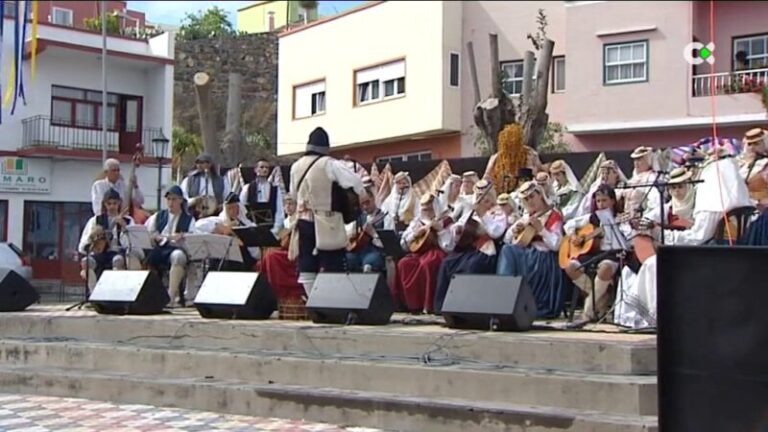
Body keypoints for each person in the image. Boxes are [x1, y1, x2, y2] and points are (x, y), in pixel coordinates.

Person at [614, 148, 753, 328]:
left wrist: (657, 233)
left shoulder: (713, 208)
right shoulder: (738, 205)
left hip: (707, 256)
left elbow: (695, 239)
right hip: (731, 255)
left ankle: (652, 317)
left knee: (652, 265)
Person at [289, 127, 367, 296]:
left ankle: (313, 300)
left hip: (303, 221)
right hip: (328, 221)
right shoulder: (330, 164)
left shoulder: (295, 167)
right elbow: (355, 183)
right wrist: (360, 198)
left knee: (307, 263)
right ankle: (332, 302)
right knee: (333, 261)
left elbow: (293, 194)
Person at [496, 181, 568, 319]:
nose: (530, 201)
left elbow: (557, 245)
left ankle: (505, 299)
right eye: (526, 199)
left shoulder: (554, 215)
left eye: (532, 196)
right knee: (507, 250)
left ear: (540, 195)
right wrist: (514, 231)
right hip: (528, 256)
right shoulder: (527, 217)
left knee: (508, 252)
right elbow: (507, 238)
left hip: (545, 260)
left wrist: (541, 230)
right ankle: (506, 299)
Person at [434, 180, 506, 313]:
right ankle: (443, 306)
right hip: (468, 249)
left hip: (485, 251)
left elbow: (496, 232)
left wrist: (483, 215)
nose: (483, 200)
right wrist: (458, 229)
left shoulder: (498, 213)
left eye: (486, 197)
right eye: (479, 197)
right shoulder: (470, 212)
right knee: (446, 264)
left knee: (472, 267)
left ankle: (467, 307)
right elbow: (459, 225)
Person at [563, 185, 629, 321]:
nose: (601, 204)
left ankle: (588, 310)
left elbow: (627, 242)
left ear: (612, 201)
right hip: (594, 254)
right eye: (598, 201)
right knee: (570, 267)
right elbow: (568, 225)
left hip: (613, 254)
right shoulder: (593, 217)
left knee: (604, 268)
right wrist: (574, 236)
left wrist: (615, 230)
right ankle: (602, 296)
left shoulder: (620, 217)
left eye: (604, 200)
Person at [395, 193, 454, 313]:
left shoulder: (446, 221)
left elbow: (449, 246)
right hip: (419, 253)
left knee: (428, 264)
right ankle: (411, 304)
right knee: (404, 263)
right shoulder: (417, 222)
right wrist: (415, 234)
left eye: (430, 209)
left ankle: (429, 305)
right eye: (424, 209)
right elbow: (404, 244)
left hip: (437, 252)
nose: (426, 212)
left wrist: (440, 231)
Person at [145, 185, 196, 307]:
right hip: (160, 248)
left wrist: (183, 236)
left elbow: (193, 238)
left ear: (180, 201)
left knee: (178, 257)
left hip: (177, 248)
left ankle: (171, 297)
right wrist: (155, 236)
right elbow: (149, 232)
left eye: (174, 199)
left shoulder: (189, 219)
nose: (170, 202)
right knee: (147, 258)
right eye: (168, 199)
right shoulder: (158, 216)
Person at [78, 189, 137, 291]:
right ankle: (94, 294)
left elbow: (133, 243)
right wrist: (94, 240)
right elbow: (83, 245)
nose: (112, 206)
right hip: (100, 254)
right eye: (109, 203)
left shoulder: (128, 220)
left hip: (118, 252)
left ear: (119, 203)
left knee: (117, 261)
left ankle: (113, 293)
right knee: (86, 262)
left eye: (115, 203)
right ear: (104, 204)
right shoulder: (95, 220)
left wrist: (124, 227)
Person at [194, 192, 259, 271]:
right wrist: (220, 227)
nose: (233, 211)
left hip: (242, 262)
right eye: (230, 208)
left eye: (235, 207)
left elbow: (256, 253)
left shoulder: (248, 224)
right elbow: (198, 225)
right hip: (221, 261)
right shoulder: (219, 221)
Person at [240, 158, 285, 231]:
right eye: (261, 167)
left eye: (267, 167)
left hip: (271, 228)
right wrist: (249, 225)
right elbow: (241, 208)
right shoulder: (247, 188)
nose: (264, 169)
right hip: (252, 228)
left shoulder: (275, 189)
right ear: (255, 169)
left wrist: (275, 229)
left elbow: (280, 211)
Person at [181, 153, 231, 217]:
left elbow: (228, 198)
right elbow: (183, 198)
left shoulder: (221, 181)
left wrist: (222, 206)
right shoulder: (188, 180)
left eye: (202, 163)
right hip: (195, 215)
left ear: (209, 164)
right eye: (197, 163)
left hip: (216, 215)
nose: (199, 165)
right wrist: (194, 200)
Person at [346, 193, 386, 273]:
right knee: (347, 259)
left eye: (367, 203)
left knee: (370, 261)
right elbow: (352, 236)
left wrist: (373, 234)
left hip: (377, 251)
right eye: (362, 204)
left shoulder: (384, 216)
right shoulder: (360, 218)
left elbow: (388, 243)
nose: (365, 207)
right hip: (360, 251)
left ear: (373, 199)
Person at [738, 128, 768, 210]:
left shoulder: (765, 165)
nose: (752, 147)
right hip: (745, 209)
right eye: (749, 144)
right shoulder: (741, 164)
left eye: (756, 143)